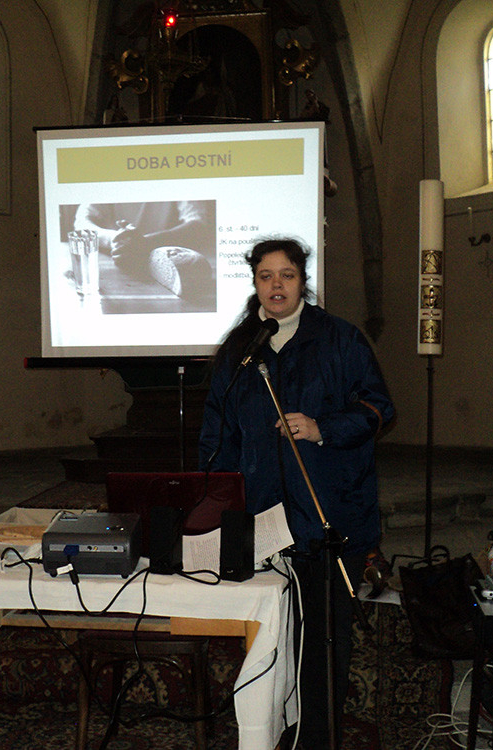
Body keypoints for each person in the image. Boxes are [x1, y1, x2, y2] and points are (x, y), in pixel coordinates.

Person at [198, 238, 395, 749]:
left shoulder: (340, 339)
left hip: (329, 512)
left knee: (324, 639)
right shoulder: (240, 349)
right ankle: (272, 731)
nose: (276, 285)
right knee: (272, 635)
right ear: (255, 283)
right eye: (266, 276)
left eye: (286, 275)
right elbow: (217, 435)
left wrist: (323, 427)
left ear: (303, 281)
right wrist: (218, 501)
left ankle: (317, 739)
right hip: (261, 518)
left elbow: (379, 409)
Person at [73, 200, 213, 273]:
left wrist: (146, 243)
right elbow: (81, 223)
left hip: (166, 266)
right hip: (117, 263)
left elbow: (198, 225)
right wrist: (114, 240)